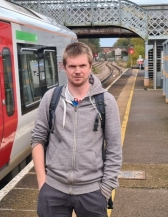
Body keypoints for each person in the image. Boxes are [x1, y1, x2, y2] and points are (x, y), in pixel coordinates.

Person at [31, 42, 122, 217]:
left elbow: (114, 148)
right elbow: (37, 139)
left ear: (90, 66)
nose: (77, 71)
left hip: (93, 190)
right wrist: (42, 182)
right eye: (72, 66)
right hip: (53, 189)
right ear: (64, 67)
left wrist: (105, 190)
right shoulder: (51, 98)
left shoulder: (106, 102)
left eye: (82, 65)